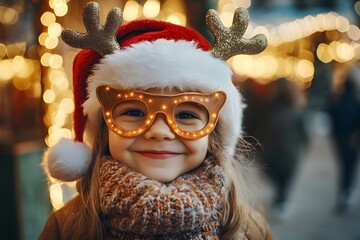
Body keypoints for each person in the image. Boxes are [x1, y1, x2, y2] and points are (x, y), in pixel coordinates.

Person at [39, 2, 272, 239]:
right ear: (103, 128)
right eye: (134, 112)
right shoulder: (66, 228)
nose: (159, 132)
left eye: (186, 115)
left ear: (214, 134)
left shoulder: (251, 230)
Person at [327, 68, 360, 213]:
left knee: (344, 167)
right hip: (351, 141)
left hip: (341, 140)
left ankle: (344, 191)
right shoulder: (355, 102)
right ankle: (346, 191)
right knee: (349, 167)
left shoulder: (338, 101)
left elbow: (331, 119)